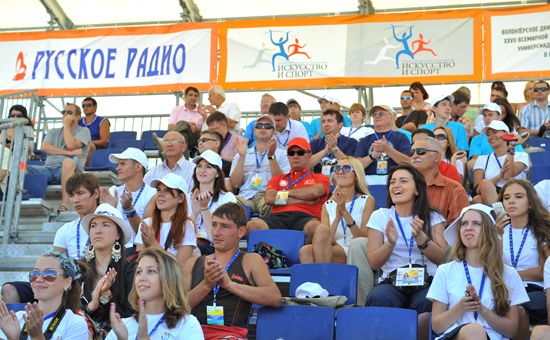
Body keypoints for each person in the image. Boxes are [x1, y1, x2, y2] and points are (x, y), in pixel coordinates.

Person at [366, 164, 446, 339]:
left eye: (403, 181)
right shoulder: (380, 216)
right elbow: (373, 262)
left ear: (417, 190)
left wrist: (422, 240)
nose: (396, 186)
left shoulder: (432, 216)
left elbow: (443, 258)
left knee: (428, 302)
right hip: (391, 279)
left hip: (427, 279)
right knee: (380, 299)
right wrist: (390, 244)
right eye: (392, 182)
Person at [428, 204, 529, 340]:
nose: (468, 228)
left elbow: (511, 331)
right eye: (464, 224)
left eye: (476, 223)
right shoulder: (445, 271)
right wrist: (461, 307)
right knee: (474, 331)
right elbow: (437, 326)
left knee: (476, 331)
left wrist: (482, 309)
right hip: (455, 336)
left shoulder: (508, 273)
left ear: (488, 231)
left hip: (493, 337)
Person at [184, 203, 281, 339]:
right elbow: (178, 308)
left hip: (230, 334)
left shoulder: (251, 260)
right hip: (193, 333)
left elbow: (275, 297)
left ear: (241, 231)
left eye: (224, 226)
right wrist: (206, 285)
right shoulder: (193, 262)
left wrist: (230, 285)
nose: (216, 232)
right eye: (214, 225)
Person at [107, 248, 203, 340]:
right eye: (139, 272)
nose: (141, 278)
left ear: (168, 278)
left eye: (151, 271)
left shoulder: (187, 324)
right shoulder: (123, 325)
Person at [246, 138, 330, 243]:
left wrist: (284, 193)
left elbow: (314, 192)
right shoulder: (278, 178)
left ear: (309, 155)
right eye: (291, 153)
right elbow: (270, 199)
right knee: (252, 226)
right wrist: (303, 200)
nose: (295, 156)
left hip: (306, 216)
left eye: (300, 152)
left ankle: (309, 258)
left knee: (315, 227)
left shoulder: (320, 177)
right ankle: (262, 259)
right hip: (278, 217)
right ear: (288, 156)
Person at [497, 179, 550, 338]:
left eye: (518, 196)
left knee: (517, 309)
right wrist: (496, 237)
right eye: (506, 198)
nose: (511, 201)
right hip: (503, 289)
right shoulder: (498, 231)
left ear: (530, 204)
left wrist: (513, 275)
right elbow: (489, 265)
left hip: (534, 289)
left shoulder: (542, 231)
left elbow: (545, 270)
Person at [300, 157, 375, 264]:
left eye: (346, 168)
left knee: (312, 251)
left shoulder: (367, 200)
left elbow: (364, 239)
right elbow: (327, 240)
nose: (340, 171)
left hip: (356, 249)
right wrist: (337, 219)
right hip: (333, 248)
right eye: (337, 168)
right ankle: (322, 277)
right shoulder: (328, 205)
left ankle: (321, 279)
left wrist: (345, 213)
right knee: (306, 250)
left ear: (356, 175)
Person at [0, 251, 88, 340]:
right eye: (35, 274)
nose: (38, 279)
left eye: (49, 275)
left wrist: (37, 337)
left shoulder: (75, 324)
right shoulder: (16, 318)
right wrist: (13, 338)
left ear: (67, 282)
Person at [79, 203, 136, 335]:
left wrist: (106, 297)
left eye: (105, 225)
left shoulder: (130, 270)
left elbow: (131, 317)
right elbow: (68, 313)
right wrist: (91, 306)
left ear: (117, 235)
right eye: (93, 226)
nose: (98, 230)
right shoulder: (78, 269)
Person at [27, 103, 91, 212]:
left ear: (77, 117)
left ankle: (64, 204)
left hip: (72, 169)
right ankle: (25, 201)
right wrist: (70, 153)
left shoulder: (83, 131)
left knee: (67, 162)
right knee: (20, 166)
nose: (65, 115)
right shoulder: (53, 131)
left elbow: (71, 144)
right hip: (48, 169)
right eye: (64, 112)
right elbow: (45, 147)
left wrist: (66, 125)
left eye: (69, 113)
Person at [230, 114, 289, 218]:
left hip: (268, 195)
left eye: (267, 126)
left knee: (282, 199)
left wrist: (271, 156)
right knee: (227, 201)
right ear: (254, 131)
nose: (263, 128)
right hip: (245, 196)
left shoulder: (282, 154)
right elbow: (235, 184)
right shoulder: (242, 153)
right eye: (259, 125)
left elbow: (283, 183)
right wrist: (242, 157)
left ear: (273, 131)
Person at [136, 173, 197, 269]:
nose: (160, 194)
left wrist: (154, 244)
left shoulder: (186, 225)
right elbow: (139, 263)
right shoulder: (147, 223)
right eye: (158, 190)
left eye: (167, 191)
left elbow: (180, 267)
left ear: (180, 198)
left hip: (171, 282)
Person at [411, 137, 469, 224]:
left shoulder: (454, 190)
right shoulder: (403, 185)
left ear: (437, 157)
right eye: (412, 152)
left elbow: (456, 229)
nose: (414, 156)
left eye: (421, 151)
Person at [190, 150, 237, 255]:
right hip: (189, 244)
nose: (202, 170)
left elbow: (215, 236)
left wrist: (204, 208)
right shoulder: (187, 197)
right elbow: (183, 235)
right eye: (199, 166)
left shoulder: (227, 198)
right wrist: (194, 213)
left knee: (193, 250)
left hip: (212, 247)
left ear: (217, 174)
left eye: (208, 167)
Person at [472, 120, 530, 205]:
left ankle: (500, 215)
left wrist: (511, 147)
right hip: (491, 194)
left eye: (494, 132)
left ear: (506, 134)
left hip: (514, 194)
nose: (490, 137)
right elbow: (477, 189)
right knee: (478, 197)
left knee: (482, 191)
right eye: (488, 135)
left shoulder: (521, 155)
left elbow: (508, 175)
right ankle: (500, 216)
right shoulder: (482, 159)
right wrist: (499, 177)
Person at [101, 147, 156, 233]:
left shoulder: (153, 194)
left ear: (138, 166)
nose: (117, 168)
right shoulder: (114, 191)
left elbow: (146, 233)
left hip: (137, 246)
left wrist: (130, 210)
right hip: (117, 245)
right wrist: (110, 209)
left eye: (122, 164)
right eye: (118, 164)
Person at [354, 104, 411, 185]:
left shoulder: (400, 137)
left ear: (391, 117)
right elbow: (357, 167)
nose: (377, 117)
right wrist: (372, 156)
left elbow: (408, 162)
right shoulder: (365, 140)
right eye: (374, 115)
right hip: (369, 183)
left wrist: (387, 149)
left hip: (395, 182)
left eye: (381, 114)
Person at [309, 109, 357, 175]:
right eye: (323, 122)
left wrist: (334, 148)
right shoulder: (315, 143)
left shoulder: (351, 143)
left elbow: (351, 167)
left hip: (341, 181)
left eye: (330, 121)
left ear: (340, 125)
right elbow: (306, 164)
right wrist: (325, 150)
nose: (326, 124)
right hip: (319, 182)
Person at [79, 97, 110, 166]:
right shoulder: (79, 122)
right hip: (79, 145)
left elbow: (104, 141)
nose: (85, 107)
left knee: (89, 146)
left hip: (95, 147)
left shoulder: (102, 121)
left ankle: (87, 170)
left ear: (95, 107)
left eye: (89, 105)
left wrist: (86, 143)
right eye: (83, 106)